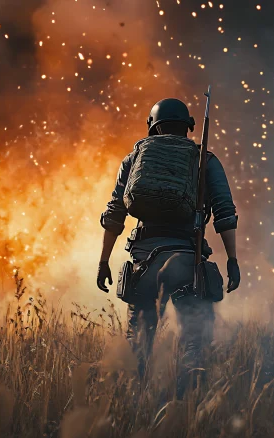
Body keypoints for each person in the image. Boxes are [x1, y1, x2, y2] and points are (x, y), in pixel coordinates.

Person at [96, 97, 241, 394]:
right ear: (188, 126)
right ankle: (189, 405)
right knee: (194, 343)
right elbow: (224, 213)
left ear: (152, 126)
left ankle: (137, 404)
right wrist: (232, 260)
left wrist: (103, 262)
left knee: (140, 343)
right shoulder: (204, 160)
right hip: (188, 260)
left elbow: (115, 214)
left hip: (144, 261)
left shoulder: (135, 158)